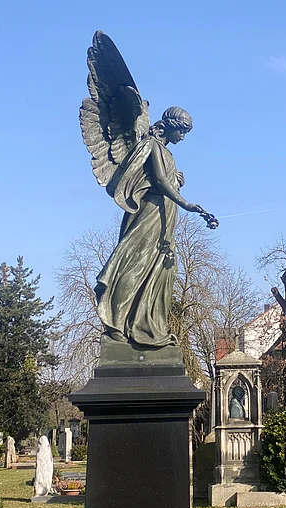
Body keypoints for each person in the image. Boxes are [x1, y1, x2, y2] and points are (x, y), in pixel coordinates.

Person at [95, 107, 203, 347]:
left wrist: (177, 181)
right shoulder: (151, 145)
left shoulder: (166, 153)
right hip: (149, 216)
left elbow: (165, 180)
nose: (182, 137)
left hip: (164, 218)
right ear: (170, 127)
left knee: (163, 271)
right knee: (136, 265)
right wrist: (185, 202)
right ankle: (117, 323)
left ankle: (147, 325)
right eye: (181, 131)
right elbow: (160, 182)